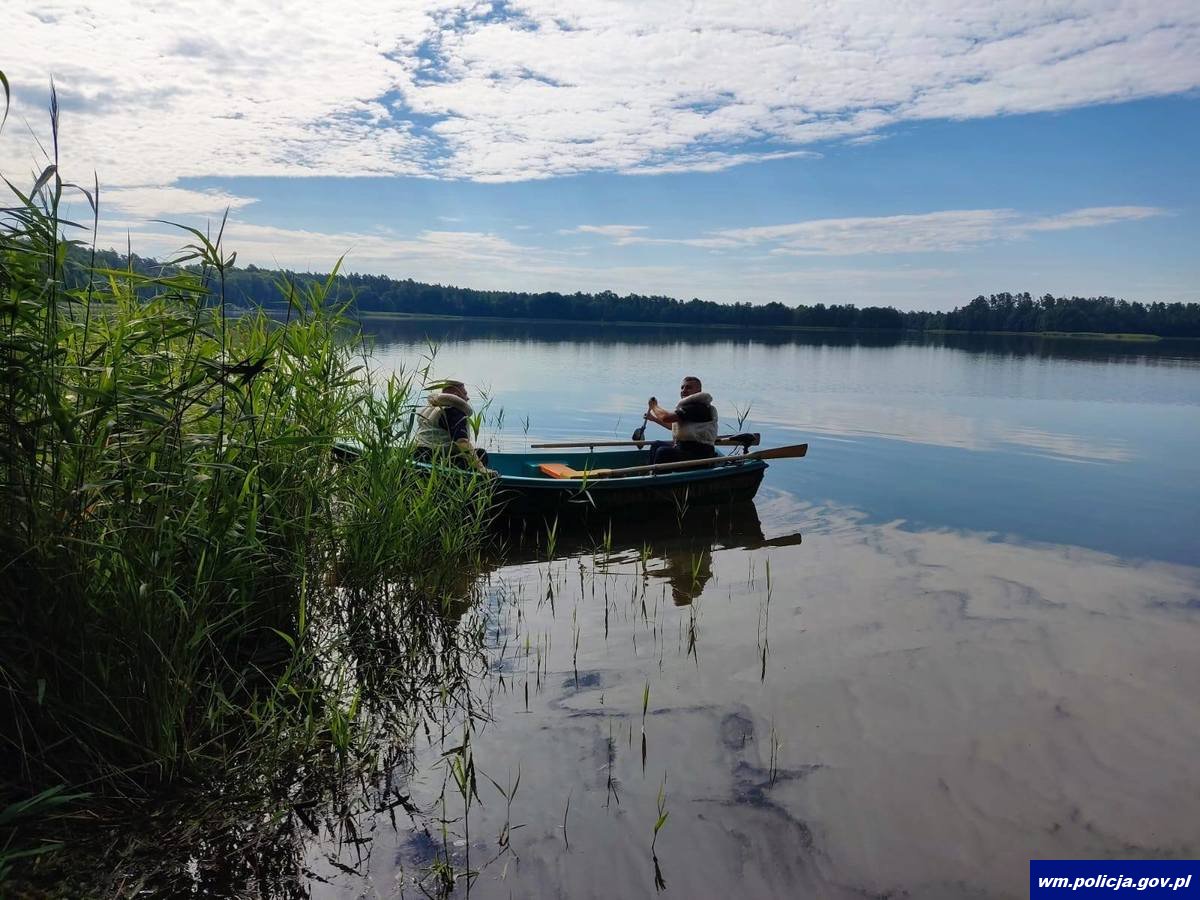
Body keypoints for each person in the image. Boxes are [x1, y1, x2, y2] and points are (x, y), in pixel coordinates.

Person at [413, 379, 496, 476]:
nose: (468, 398)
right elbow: (462, 442)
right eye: (465, 394)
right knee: (481, 454)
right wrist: (481, 468)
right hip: (436, 461)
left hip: (418, 456)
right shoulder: (454, 412)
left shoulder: (429, 409)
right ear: (456, 395)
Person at [642, 375, 719, 466]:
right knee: (656, 445)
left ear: (698, 391)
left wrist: (654, 406)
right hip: (685, 449)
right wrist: (654, 419)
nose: (684, 390)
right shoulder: (689, 406)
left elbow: (666, 417)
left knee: (663, 452)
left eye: (689, 387)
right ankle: (651, 473)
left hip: (700, 455)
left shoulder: (698, 407)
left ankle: (658, 477)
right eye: (682, 387)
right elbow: (673, 427)